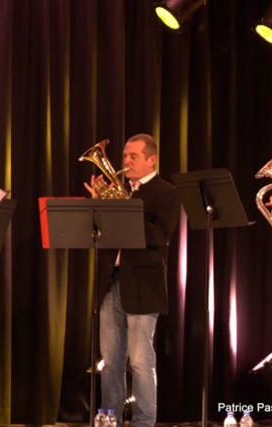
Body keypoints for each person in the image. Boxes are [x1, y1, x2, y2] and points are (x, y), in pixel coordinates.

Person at [84, 133, 180, 427]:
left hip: (143, 284)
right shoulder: (121, 190)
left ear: (152, 160)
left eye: (133, 156)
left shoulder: (165, 192)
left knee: (140, 360)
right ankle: (109, 417)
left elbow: (160, 237)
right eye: (124, 156)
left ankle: (143, 421)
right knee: (110, 360)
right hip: (112, 280)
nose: (125, 162)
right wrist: (99, 208)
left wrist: (124, 209)